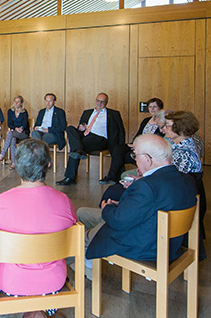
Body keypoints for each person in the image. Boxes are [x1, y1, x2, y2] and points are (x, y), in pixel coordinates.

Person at [0, 139, 77, 318]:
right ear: (49, 165)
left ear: (17, 166)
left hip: (11, 282)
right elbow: (70, 236)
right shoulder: (64, 201)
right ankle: (39, 310)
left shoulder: (1, 202)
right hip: (53, 282)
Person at [77, 134, 197, 275]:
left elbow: (119, 221)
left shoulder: (147, 186)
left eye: (135, 156)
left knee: (83, 235)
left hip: (146, 245)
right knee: (83, 213)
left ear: (147, 158)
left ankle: (87, 268)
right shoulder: (186, 179)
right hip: (169, 242)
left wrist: (107, 208)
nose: (135, 160)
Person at [56, 93, 125, 186]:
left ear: (106, 103)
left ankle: (70, 178)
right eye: (98, 100)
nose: (99, 103)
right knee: (70, 129)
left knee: (77, 147)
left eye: (102, 101)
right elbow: (80, 128)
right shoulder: (87, 112)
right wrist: (81, 128)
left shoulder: (113, 114)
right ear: (95, 100)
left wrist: (121, 144)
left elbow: (121, 130)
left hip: (100, 139)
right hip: (85, 136)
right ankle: (79, 150)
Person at [99, 97, 164, 184]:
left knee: (121, 156)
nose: (152, 109)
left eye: (154, 107)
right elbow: (138, 134)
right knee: (119, 148)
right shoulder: (146, 121)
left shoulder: (162, 122)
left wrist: (139, 145)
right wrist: (134, 143)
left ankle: (114, 177)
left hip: (148, 148)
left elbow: (158, 139)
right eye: (150, 106)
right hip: (137, 145)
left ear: (160, 108)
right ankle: (112, 176)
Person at [0, 95, 29, 170]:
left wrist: (20, 129)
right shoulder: (10, 111)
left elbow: (25, 124)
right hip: (15, 132)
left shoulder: (24, 112)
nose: (16, 103)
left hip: (23, 133)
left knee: (10, 133)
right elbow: (9, 124)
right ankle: (14, 163)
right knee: (13, 139)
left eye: (18, 102)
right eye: (15, 101)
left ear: (21, 103)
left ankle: (2, 154)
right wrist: (15, 129)